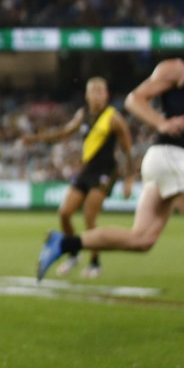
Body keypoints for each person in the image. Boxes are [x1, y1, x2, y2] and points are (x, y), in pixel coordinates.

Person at [37, 10, 184, 325]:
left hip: (167, 161)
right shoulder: (176, 69)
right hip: (169, 155)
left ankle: (63, 242)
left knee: (142, 239)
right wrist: (161, 121)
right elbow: (135, 99)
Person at [22, 77, 134, 278]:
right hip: (87, 170)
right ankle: (73, 254)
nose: (97, 95)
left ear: (106, 95)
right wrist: (37, 138)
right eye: (93, 91)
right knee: (64, 213)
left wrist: (129, 179)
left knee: (89, 216)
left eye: (101, 91)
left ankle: (95, 263)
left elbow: (127, 148)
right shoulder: (83, 115)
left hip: (106, 172)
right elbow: (65, 132)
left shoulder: (114, 118)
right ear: (87, 95)